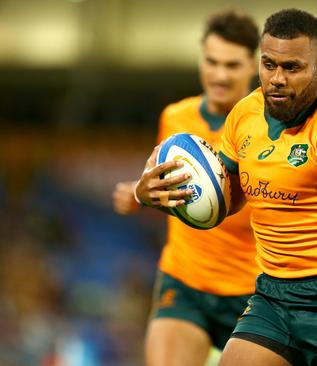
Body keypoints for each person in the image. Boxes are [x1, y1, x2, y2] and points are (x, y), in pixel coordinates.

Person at [134, 8, 317, 366]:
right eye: (269, 64)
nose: (276, 78)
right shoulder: (245, 115)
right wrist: (163, 196)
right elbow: (224, 201)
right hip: (273, 294)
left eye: (291, 68)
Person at [111, 10, 260, 366]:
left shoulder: (272, 126)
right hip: (185, 281)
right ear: (201, 59)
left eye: (233, 65)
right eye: (212, 62)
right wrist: (139, 196)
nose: (220, 75)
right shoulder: (175, 119)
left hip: (255, 293)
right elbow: (177, 191)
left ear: (253, 65)